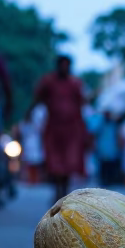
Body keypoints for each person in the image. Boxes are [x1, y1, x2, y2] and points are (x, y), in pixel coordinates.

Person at [28, 55, 90, 205]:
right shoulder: (48, 82)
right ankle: (57, 189)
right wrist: (29, 113)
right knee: (54, 160)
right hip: (54, 127)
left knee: (70, 160)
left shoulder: (76, 83)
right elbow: (37, 98)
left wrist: (84, 129)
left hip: (72, 128)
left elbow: (82, 103)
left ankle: (65, 189)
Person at [89, 108, 122, 187]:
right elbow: (93, 131)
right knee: (103, 166)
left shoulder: (113, 124)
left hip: (111, 149)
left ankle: (109, 181)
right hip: (102, 148)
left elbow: (117, 135)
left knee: (110, 167)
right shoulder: (100, 123)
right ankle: (103, 181)